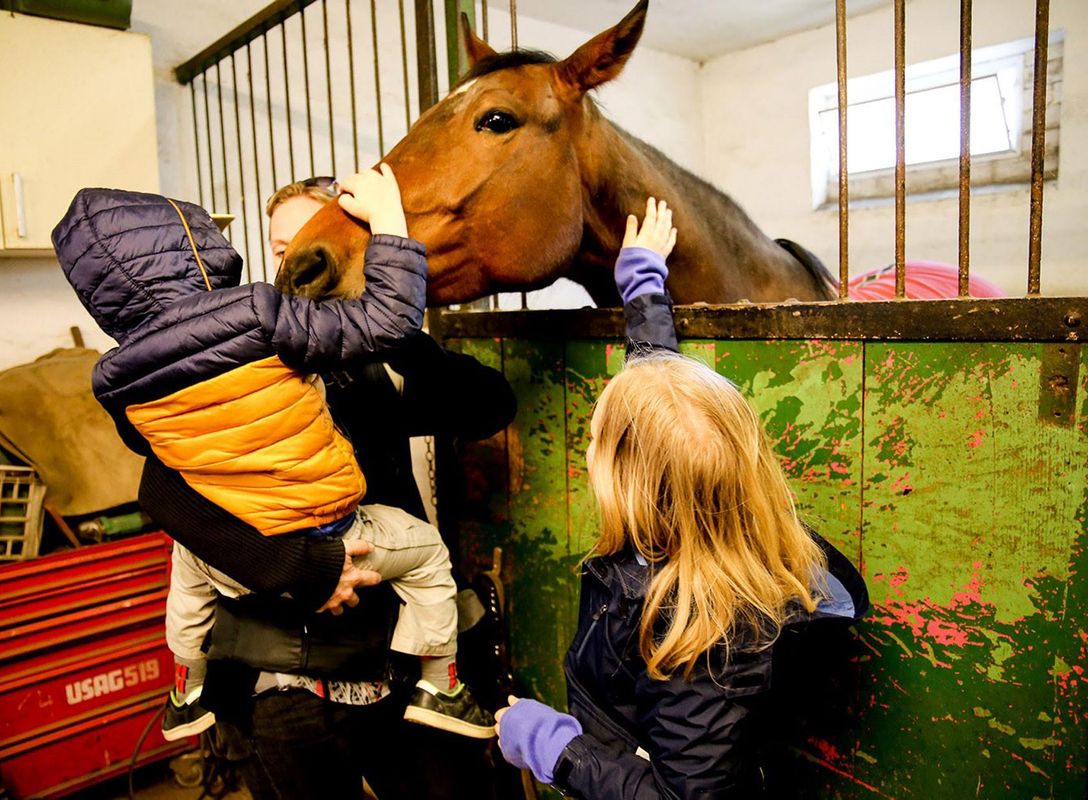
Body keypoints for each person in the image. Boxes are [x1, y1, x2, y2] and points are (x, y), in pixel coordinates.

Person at [52, 166, 496, 747]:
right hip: (279, 675)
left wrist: (399, 340)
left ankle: (185, 688)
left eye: (311, 242)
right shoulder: (247, 353)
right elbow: (164, 494)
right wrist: (303, 568)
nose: (298, 265)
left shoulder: (345, 349)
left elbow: (488, 406)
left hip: (385, 657)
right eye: (282, 251)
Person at [493, 199, 870, 798]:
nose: (587, 443)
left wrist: (554, 747)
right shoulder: (698, 508)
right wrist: (642, 283)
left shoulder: (704, 635)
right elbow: (668, 409)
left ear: (630, 479)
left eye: (595, 438)